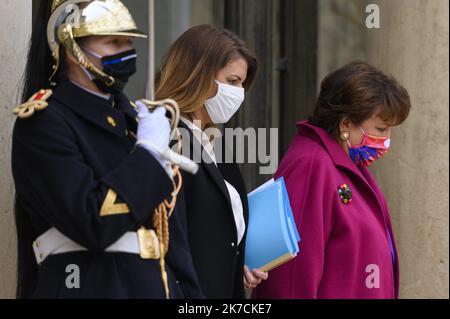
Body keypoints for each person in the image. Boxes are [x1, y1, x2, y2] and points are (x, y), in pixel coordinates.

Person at [12, 0, 202, 299]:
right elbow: (92, 221)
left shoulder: (134, 123)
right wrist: (148, 156)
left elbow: (171, 242)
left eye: (128, 41)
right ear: (73, 48)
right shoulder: (45, 122)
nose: (126, 51)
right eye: (113, 42)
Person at [252, 61, 411, 299]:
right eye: (380, 129)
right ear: (346, 123)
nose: (387, 140)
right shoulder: (312, 163)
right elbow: (294, 275)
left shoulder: (347, 164)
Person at [156, 25, 268, 298]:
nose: (239, 92)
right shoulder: (166, 135)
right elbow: (169, 241)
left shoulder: (213, 143)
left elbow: (213, 233)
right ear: (199, 75)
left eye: (242, 83)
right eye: (232, 81)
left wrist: (236, 262)